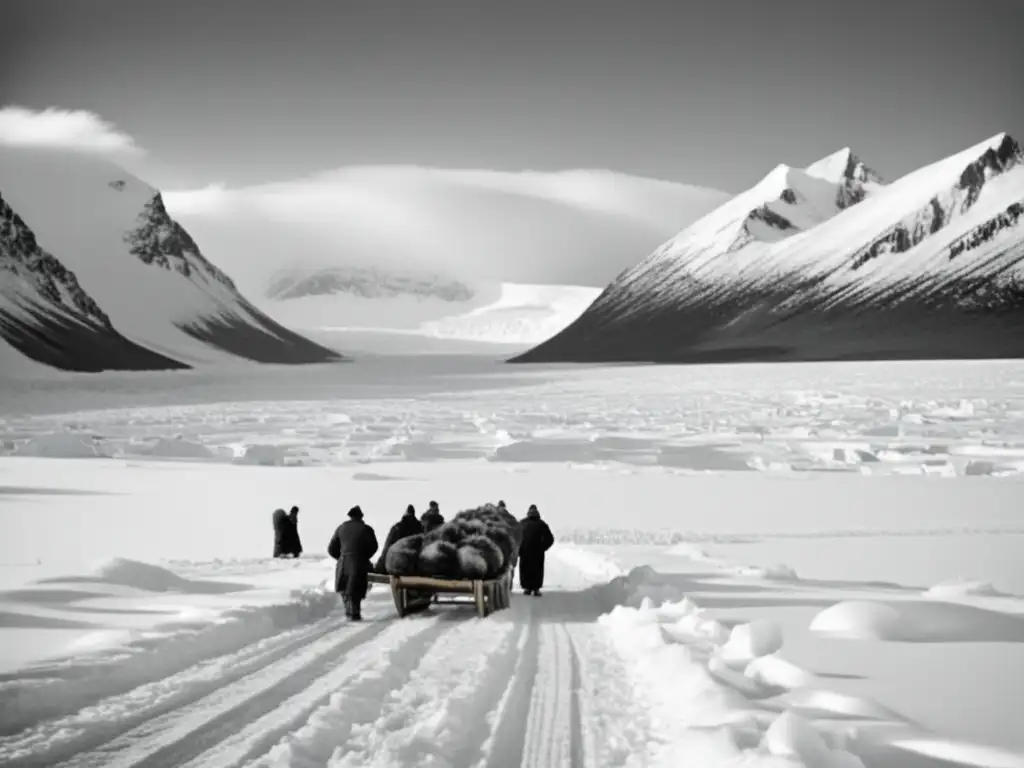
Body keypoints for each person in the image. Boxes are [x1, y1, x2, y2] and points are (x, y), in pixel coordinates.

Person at [327, 506, 379, 620]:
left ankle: (348, 610)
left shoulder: (341, 528)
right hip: (360, 563)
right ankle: (355, 611)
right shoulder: (367, 529)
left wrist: (341, 557)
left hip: (344, 563)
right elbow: (374, 547)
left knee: (345, 588)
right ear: (361, 516)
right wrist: (364, 557)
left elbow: (331, 548)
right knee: (357, 588)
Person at [518, 504, 554, 596]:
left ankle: (527, 588)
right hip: (537, 553)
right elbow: (550, 539)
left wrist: (519, 549)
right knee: (537, 570)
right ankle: (536, 589)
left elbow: (516, 538)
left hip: (525, 552)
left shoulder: (522, 523)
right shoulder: (542, 524)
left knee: (525, 570)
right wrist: (543, 547)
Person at [375, 504, 424, 573]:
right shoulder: (420, 529)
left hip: (396, 567)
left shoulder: (397, 527)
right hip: (415, 569)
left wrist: (379, 567)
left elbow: (387, 547)